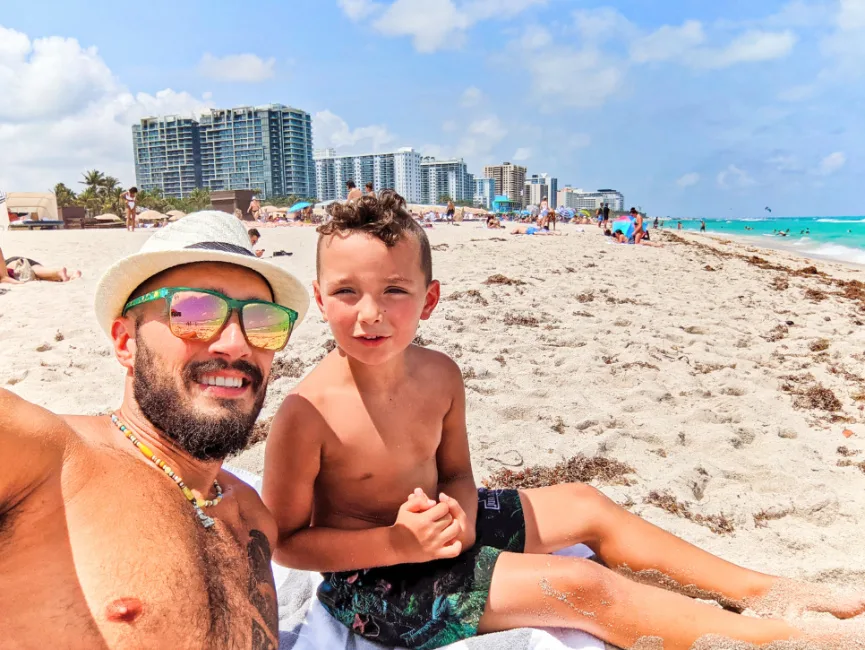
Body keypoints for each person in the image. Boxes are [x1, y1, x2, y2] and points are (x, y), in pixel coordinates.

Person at [261, 190, 863, 650]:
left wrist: (463, 518)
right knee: (579, 589)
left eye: (394, 290)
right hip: (374, 579)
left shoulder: (439, 375)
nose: (370, 314)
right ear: (319, 298)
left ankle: (765, 591)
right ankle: (774, 639)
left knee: (584, 503)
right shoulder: (307, 414)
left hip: (443, 531)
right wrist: (394, 543)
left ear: (430, 298)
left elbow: (459, 474)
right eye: (346, 292)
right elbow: (286, 545)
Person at [0, 211, 310, 647]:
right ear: (126, 343)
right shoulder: (47, 461)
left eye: (263, 322)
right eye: (195, 311)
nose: (238, 344)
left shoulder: (254, 518)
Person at [5, 254, 82, 282]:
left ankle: (59, 272)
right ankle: (71, 274)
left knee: (33, 271)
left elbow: (4, 277)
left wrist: (17, 283)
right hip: (15, 261)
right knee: (40, 274)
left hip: (15, 263)